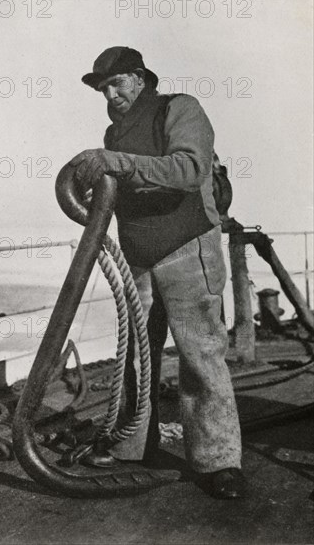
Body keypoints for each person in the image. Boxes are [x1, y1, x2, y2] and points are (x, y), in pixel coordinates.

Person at [69, 46, 246, 499]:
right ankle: (132, 445)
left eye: (117, 83)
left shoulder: (180, 109)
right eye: (103, 87)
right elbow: (120, 186)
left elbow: (189, 168)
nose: (110, 94)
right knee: (135, 355)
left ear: (140, 79)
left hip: (189, 247)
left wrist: (118, 164)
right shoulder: (113, 134)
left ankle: (218, 462)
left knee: (200, 356)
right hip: (138, 256)